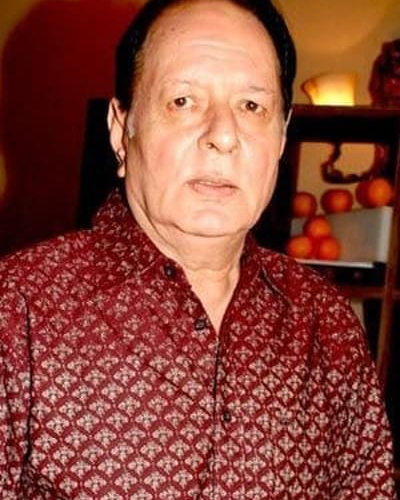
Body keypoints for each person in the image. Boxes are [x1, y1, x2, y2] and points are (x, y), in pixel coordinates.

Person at [0, 0, 396, 498]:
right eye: (183, 101)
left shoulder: (329, 326)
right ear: (121, 131)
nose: (223, 136)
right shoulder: (17, 312)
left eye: (251, 106)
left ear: (280, 137)